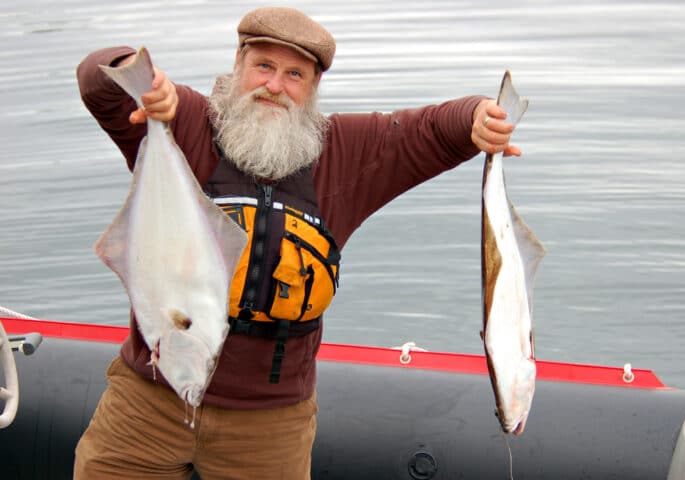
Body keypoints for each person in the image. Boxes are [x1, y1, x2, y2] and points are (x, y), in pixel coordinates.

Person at [74, 6, 521, 480]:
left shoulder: (345, 155)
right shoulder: (179, 121)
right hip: (148, 403)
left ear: (313, 88)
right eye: (263, 66)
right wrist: (136, 76)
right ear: (238, 64)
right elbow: (94, 82)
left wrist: (477, 118)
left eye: (295, 75)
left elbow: (431, 130)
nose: (275, 86)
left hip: (269, 426)